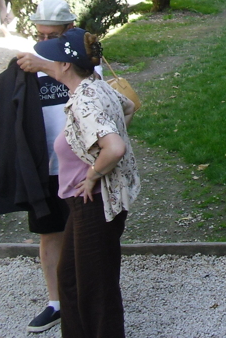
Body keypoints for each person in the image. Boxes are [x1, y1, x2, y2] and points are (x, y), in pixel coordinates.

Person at [31, 27, 138, 338]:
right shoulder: (96, 85)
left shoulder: (84, 102)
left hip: (94, 201)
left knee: (95, 286)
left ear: (66, 65)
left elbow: (114, 148)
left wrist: (93, 173)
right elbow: (129, 106)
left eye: (54, 58)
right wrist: (103, 138)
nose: (49, 61)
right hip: (88, 202)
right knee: (70, 278)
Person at [14, 0, 80, 333]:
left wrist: (43, 63)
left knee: (83, 232)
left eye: (51, 34)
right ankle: (55, 302)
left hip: (81, 167)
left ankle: (83, 296)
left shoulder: (85, 57)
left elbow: (85, 85)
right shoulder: (31, 60)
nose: (43, 40)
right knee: (49, 234)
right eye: (39, 34)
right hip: (45, 165)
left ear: (69, 30)